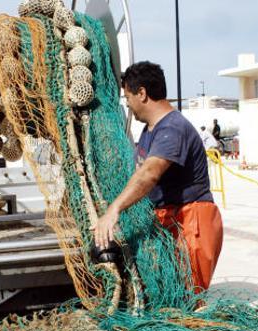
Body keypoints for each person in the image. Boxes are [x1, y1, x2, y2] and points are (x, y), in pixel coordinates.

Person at [94, 61, 223, 293]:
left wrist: (115, 209)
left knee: (185, 300)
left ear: (142, 93)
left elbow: (149, 173)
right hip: (168, 221)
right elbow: (138, 176)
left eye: (128, 98)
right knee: (164, 296)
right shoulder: (149, 130)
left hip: (191, 222)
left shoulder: (172, 128)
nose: (128, 106)